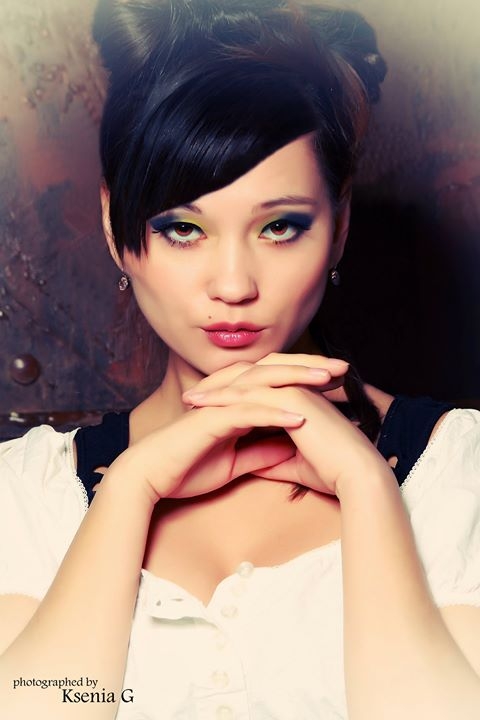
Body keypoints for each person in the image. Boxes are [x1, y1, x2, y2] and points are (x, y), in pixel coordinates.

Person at [1, 1, 479, 718]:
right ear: (113, 223)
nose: (233, 285)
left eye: (280, 226)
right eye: (183, 228)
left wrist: (368, 489)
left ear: (339, 226)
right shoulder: (28, 496)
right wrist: (128, 492)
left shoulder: (458, 475)